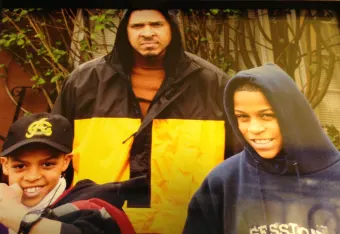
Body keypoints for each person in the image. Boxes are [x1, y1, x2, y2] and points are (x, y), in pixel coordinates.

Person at [51, 8, 238, 233]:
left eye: (156, 25)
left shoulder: (213, 83)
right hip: (97, 222)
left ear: (172, 29)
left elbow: (237, 162)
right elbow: (55, 154)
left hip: (186, 222)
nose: (147, 33)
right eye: (137, 26)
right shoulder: (83, 82)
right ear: (125, 32)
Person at [183, 63, 340, 234]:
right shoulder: (223, 181)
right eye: (243, 117)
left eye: (266, 115)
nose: (254, 129)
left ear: (292, 114)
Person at [0, 112, 147, 234]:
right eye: (20, 166)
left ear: (66, 161)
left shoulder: (91, 206)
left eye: (47, 164)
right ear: (5, 165)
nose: (32, 177)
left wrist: (14, 215)